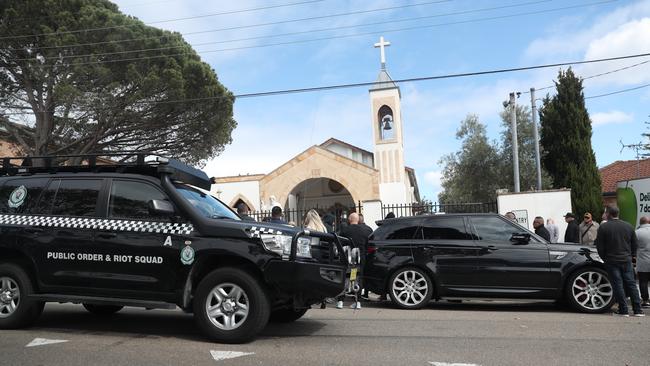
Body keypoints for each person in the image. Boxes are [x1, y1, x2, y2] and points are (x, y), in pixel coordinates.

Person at [595, 206, 644, 317]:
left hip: (611, 259)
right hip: (626, 259)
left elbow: (600, 246)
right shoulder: (628, 226)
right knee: (631, 284)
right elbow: (635, 243)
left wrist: (604, 258)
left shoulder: (604, 227)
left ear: (608, 214)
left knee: (618, 284)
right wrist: (632, 256)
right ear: (618, 213)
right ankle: (638, 310)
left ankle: (623, 310)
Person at [338, 212, 370, 309]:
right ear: (358, 220)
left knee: (344, 278)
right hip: (360, 258)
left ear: (349, 220)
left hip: (348, 257)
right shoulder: (364, 231)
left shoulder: (345, 230)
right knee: (358, 279)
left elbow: (341, 243)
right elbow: (367, 245)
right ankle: (358, 302)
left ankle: (340, 301)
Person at [635, 216, 650, 308]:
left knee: (643, 281)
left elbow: (633, 246)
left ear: (640, 223)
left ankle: (645, 301)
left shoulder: (637, 232)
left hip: (643, 260)